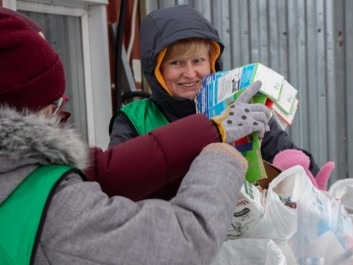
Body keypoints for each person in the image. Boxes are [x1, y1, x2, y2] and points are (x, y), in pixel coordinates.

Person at [0, 11, 254, 264]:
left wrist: (212, 129)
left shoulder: (16, 173)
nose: (190, 73)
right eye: (54, 103)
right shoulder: (52, 207)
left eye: (198, 61)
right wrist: (219, 158)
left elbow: (100, 171)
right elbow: (182, 244)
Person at [109, 4, 320, 185]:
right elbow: (118, 180)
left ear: (212, 62)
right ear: (156, 70)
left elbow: (284, 153)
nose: (190, 73)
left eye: (198, 61)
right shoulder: (134, 121)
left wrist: (297, 167)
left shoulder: (239, 106)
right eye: (176, 63)